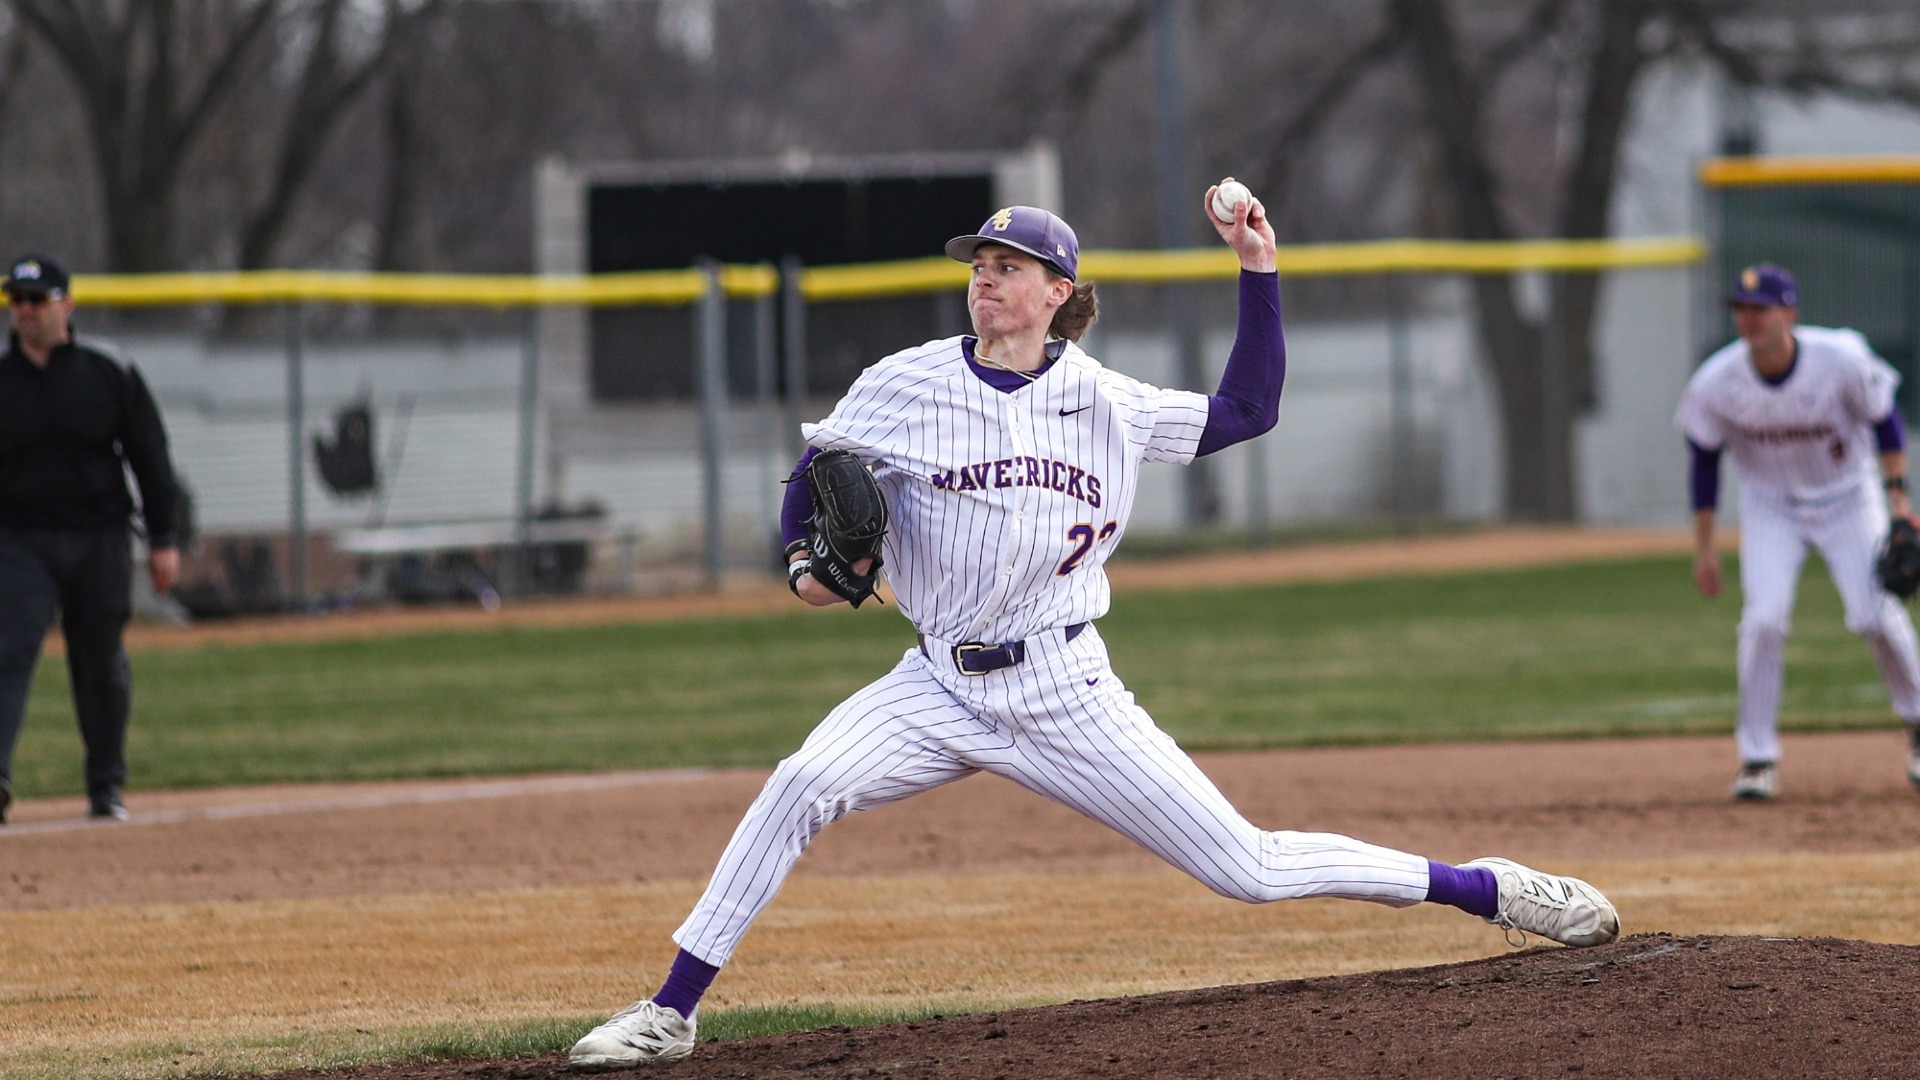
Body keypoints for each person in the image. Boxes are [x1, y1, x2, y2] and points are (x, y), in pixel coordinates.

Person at [569, 191, 1620, 1070]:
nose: (986, 276)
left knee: (1248, 869)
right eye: (980, 260)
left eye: (1010, 264)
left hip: (1068, 689)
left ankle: (1489, 888)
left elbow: (1248, 409)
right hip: (935, 685)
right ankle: (671, 1011)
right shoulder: (903, 383)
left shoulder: (1105, 402)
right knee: (802, 782)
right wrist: (802, 564)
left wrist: (1260, 267)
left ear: (1057, 294)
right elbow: (814, 477)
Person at [1677, 263, 1920, 801]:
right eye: (1741, 309)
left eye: (1760, 308)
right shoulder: (1718, 381)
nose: (1748, 319)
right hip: (1770, 509)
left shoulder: (1840, 360)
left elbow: (1885, 419)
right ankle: (1757, 757)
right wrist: (1704, 547)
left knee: (1873, 615)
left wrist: (1899, 504)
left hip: (1849, 497)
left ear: (1789, 313)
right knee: (1763, 621)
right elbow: (1703, 461)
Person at [0, 253, 181, 824]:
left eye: (37, 300)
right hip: (20, 539)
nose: (25, 312)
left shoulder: (107, 370)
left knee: (99, 659)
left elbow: (150, 456)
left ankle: (106, 785)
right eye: (16, 301)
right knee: (8, 650)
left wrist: (164, 537)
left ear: (66, 305)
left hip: (99, 537)